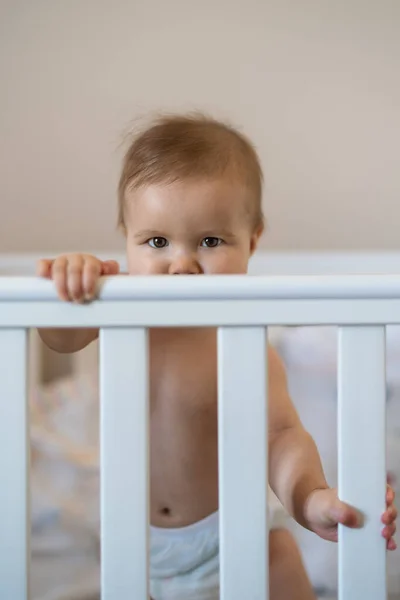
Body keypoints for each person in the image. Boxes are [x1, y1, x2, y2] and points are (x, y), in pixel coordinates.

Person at [37, 113, 396, 600]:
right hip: (130, 542)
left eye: (209, 241)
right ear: (126, 237)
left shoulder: (246, 346)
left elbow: (281, 437)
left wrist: (309, 498)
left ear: (252, 240)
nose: (182, 264)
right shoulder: (118, 310)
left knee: (281, 562)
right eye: (157, 242)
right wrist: (70, 280)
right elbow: (59, 337)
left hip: (236, 537)